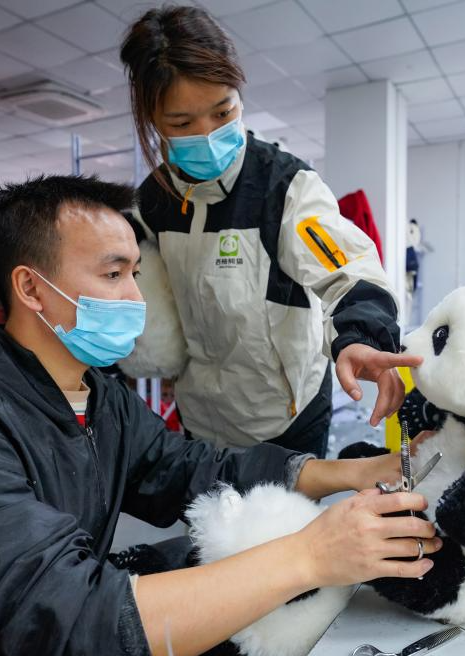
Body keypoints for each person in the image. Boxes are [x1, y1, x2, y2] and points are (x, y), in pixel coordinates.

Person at [0, 176, 437, 656]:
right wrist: (309, 556)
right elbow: (67, 629)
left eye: (135, 273)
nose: (136, 298)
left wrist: (354, 471)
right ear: (31, 288)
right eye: (113, 275)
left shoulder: (98, 396)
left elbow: (187, 468)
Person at [121, 5, 416, 452]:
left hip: (288, 418)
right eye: (182, 124)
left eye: (223, 112)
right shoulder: (152, 203)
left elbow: (348, 267)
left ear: (239, 97)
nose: (207, 134)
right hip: (203, 419)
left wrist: (360, 336)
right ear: (153, 122)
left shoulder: (285, 188)